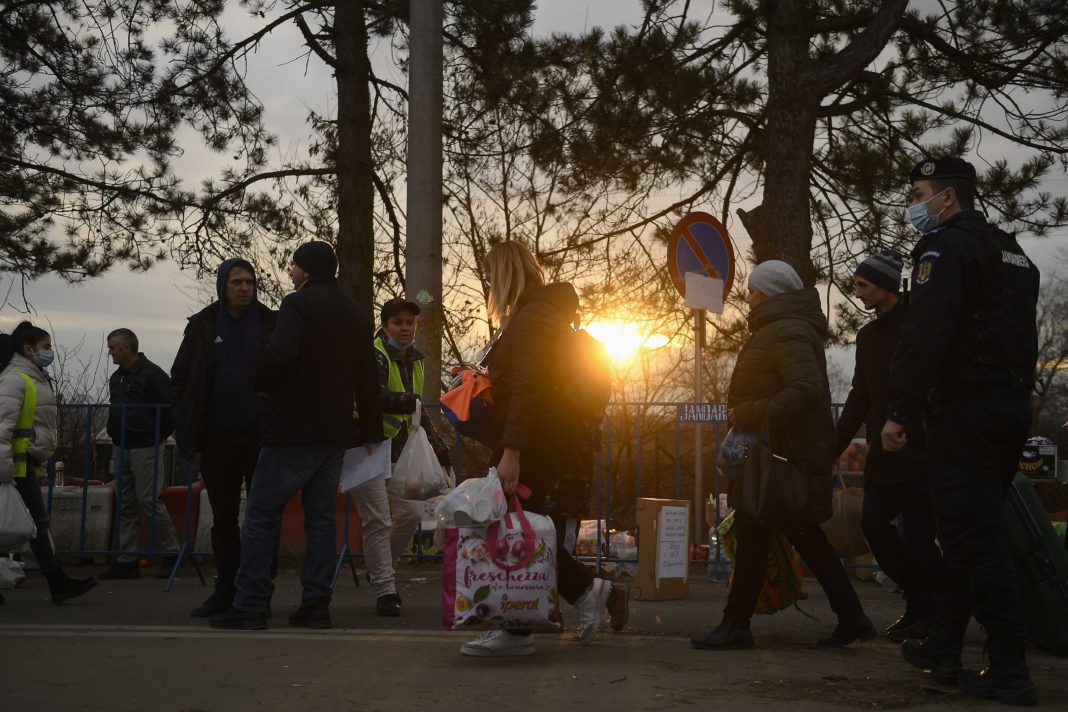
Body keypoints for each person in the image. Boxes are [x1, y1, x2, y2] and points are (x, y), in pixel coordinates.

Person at [883, 157, 1040, 706]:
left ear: (948, 198)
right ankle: (944, 644)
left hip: (964, 411)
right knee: (970, 530)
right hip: (1011, 405)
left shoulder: (943, 248)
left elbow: (925, 333)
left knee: (976, 536)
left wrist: (900, 409)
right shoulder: (1014, 253)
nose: (915, 204)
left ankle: (1009, 665)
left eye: (921, 193)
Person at [692, 260, 874, 651]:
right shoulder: (779, 328)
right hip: (779, 456)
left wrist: (753, 412)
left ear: (771, 293)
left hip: (782, 459)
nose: (748, 296)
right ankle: (852, 617)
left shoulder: (786, 330)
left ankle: (737, 623)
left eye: (753, 290)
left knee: (761, 530)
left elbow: (805, 389)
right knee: (797, 536)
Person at [459, 241, 627, 657]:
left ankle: (522, 628)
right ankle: (578, 598)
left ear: (504, 275)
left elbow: (530, 388)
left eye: (490, 276)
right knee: (525, 530)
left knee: (513, 529)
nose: (487, 285)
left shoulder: (532, 318)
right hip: (545, 437)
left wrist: (511, 449)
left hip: (536, 441)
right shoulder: (542, 315)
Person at [210, 240, 384, 631]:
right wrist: (370, 427)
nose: (291, 274)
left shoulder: (297, 304)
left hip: (293, 429)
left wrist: (258, 381)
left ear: (303, 271)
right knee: (321, 518)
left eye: (293, 267)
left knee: (260, 513)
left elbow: (281, 352)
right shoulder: (355, 312)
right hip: (336, 432)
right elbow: (366, 375)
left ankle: (251, 602)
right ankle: (316, 604)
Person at [835, 251, 941, 642]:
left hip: (918, 446)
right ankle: (921, 600)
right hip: (883, 451)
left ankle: (928, 611)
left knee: (917, 535)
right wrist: (835, 442)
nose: (857, 292)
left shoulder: (918, 326)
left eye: (863, 285)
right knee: (873, 523)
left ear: (885, 286)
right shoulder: (868, 336)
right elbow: (860, 395)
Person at [171, 258, 278, 617]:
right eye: (237, 282)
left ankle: (259, 589)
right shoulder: (202, 326)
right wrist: (184, 421)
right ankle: (225, 589)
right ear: (223, 286)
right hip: (217, 437)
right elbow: (180, 379)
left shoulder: (270, 323)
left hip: (263, 438)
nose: (244, 287)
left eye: (249, 281)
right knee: (224, 519)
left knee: (263, 518)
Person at [349, 296, 452, 617]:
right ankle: (385, 589)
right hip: (363, 444)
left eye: (410, 322)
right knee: (377, 519)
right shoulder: (373, 354)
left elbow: (417, 408)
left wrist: (438, 446)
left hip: (397, 448)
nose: (405, 328)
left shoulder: (415, 360)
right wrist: (408, 402)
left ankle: (382, 570)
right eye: (398, 322)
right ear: (385, 325)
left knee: (409, 513)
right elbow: (376, 397)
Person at [0, 322, 97, 606]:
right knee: (36, 524)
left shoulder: (32, 378)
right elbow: (2, 426)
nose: (49, 353)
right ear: (28, 349)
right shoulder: (16, 380)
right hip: (15, 466)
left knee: (36, 524)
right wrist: (3, 470)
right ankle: (57, 581)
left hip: (23, 463)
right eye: (46, 348)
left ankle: (58, 582)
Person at [99, 328, 181, 580]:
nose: (110, 352)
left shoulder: (152, 374)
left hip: (145, 445)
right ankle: (127, 560)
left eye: (113, 347)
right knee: (126, 503)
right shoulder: (117, 377)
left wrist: (156, 435)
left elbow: (169, 410)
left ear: (126, 348)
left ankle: (172, 553)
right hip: (121, 444)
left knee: (148, 499)